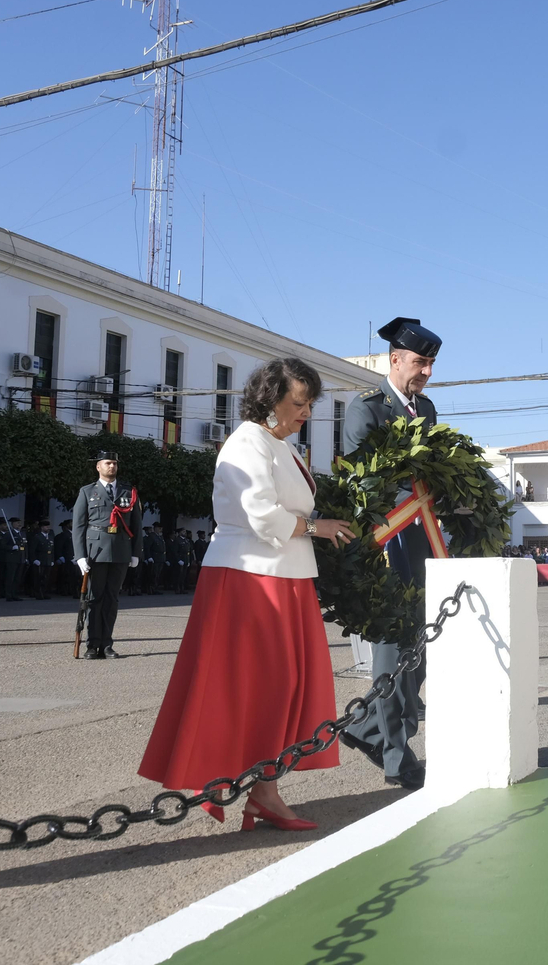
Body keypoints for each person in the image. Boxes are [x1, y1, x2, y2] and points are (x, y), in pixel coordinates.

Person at [140, 358, 354, 830]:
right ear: (269, 398)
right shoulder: (247, 441)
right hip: (252, 576)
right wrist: (318, 527)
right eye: (299, 403)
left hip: (285, 575)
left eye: (310, 403)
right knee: (257, 686)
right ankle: (254, 788)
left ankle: (265, 791)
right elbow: (263, 515)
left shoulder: (279, 445)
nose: (307, 413)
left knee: (286, 687)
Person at [338, 316, 442, 791]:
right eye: (419, 362)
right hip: (386, 539)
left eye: (430, 364)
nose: (425, 372)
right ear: (394, 360)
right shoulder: (368, 409)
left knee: (418, 649)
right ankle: (396, 754)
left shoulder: (428, 409)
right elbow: (365, 476)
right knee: (392, 649)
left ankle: (364, 730)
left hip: (422, 539)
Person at [73, 450, 139, 659]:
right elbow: (79, 526)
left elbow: (136, 523)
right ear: (98, 467)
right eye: (108, 463)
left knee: (112, 599)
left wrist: (135, 552)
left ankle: (107, 645)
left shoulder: (129, 492)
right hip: (96, 552)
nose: (112, 466)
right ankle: (92, 645)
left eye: (114, 463)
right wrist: (80, 556)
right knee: (94, 599)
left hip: (120, 551)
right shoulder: (87, 492)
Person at [29, 519, 54, 600]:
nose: (48, 528)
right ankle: (38, 593)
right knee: (38, 578)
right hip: (40, 560)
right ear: (42, 527)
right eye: (46, 526)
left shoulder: (50, 537)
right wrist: (34, 559)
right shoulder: (37, 537)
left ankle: (44, 592)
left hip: (48, 560)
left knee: (46, 578)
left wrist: (52, 559)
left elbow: (52, 550)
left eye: (48, 526)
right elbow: (32, 550)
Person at [54, 519, 76, 596]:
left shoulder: (73, 534)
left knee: (72, 575)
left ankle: (70, 590)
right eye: (71, 523)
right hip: (66, 558)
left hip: (72, 558)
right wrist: (60, 556)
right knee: (64, 575)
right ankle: (63, 590)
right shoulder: (63, 535)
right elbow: (59, 547)